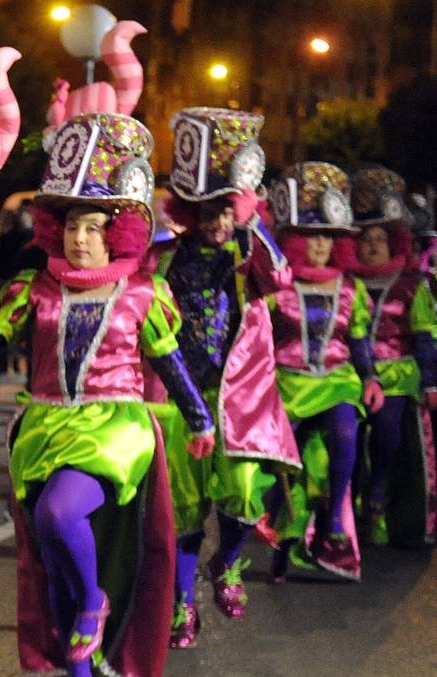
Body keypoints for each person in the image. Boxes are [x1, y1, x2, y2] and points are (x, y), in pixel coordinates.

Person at [0, 112, 215, 677]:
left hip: (116, 428)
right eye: (70, 226)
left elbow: (169, 361)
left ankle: (93, 608)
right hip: (44, 425)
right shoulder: (36, 288)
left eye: (93, 227)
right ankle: (78, 675)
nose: (80, 239)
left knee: (60, 513)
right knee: (51, 553)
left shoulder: (142, 294)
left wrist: (201, 420)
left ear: (119, 233)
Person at [150, 108, 299, 646]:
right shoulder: (165, 257)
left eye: (226, 211)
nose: (217, 222)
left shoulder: (247, 252)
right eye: (208, 211)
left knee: (239, 492)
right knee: (186, 509)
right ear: (189, 211)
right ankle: (182, 603)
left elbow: (281, 278)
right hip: (178, 395)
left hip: (240, 394)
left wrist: (252, 219)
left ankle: (229, 563)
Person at [264, 162, 385, 583]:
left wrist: (370, 378)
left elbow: (358, 341)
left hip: (335, 381)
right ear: (296, 240)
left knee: (346, 433)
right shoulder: (277, 288)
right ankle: (281, 544)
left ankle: (335, 515)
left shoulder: (350, 289)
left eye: (327, 237)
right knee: (282, 465)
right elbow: (255, 340)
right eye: (312, 236)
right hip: (288, 384)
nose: (319, 245)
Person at [346, 168, 437, 547]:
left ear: (394, 244)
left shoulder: (410, 286)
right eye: (366, 240)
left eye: (380, 239)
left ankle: (377, 497)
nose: (373, 246)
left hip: (397, 375)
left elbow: (423, 336)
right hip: (350, 377)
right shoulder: (345, 285)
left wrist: (430, 380)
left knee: (387, 434)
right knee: (348, 440)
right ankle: (346, 509)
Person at [0, 204, 45, 399]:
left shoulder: (42, 240)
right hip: (10, 297)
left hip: (38, 301)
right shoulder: (6, 239)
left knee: (35, 348)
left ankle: (34, 389)